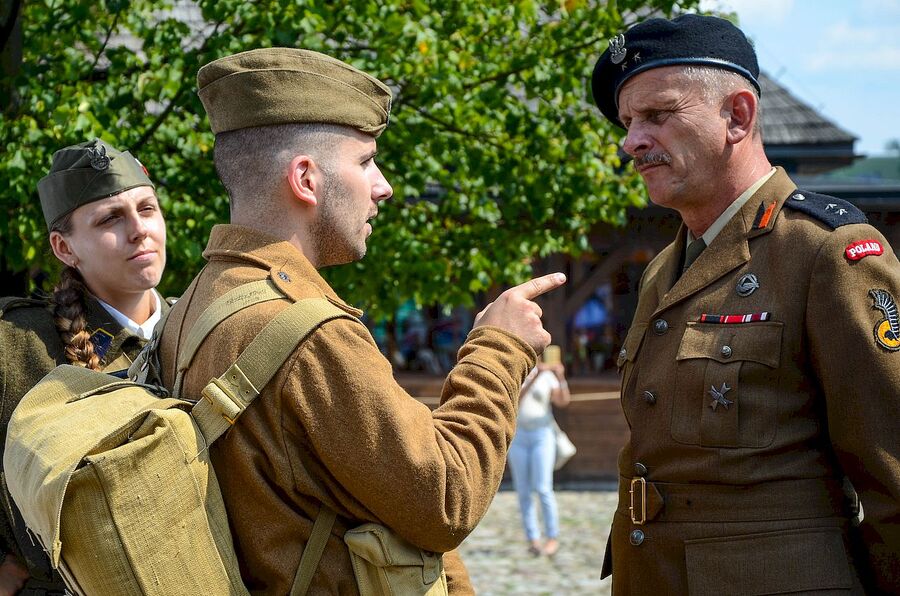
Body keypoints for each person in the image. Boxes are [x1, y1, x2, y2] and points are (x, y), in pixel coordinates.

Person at [156, 48, 566, 594]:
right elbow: (446, 497)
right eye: (366, 160)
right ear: (306, 178)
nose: (383, 185)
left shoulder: (193, 303)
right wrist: (499, 348)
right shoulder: (306, 333)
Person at [590, 14, 900, 594]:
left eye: (657, 115)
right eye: (629, 121)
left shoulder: (826, 252)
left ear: (738, 116)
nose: (631, 140)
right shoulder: (664, 268)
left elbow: (894, 474)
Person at [0, 139, 167, 595]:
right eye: (111, 218)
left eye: (147, 209)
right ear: (64, 247)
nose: (139, 230)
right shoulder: (16, 344)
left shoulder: (205, 326)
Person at [507, 361, 570, 556]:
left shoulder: (548, 376)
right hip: (519, 436)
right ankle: (533, 538)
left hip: (542, 434)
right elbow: (514, 403)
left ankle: (552, 537)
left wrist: (560, 376)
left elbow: (563, 401)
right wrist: (534, 377)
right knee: (523, 489)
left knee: (543, 488)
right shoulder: (518, 374)